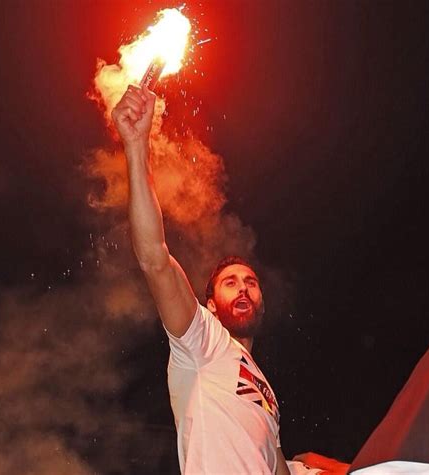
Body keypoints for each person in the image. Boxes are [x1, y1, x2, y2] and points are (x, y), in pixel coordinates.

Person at [112, 84, 291, 475]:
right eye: (230, 282)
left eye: (251, 282)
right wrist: (136, 146)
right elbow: (155, 257)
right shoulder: (203, 340)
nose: (243, 286)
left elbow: (278, 468)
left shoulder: (267, 392)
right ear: (210, 304)